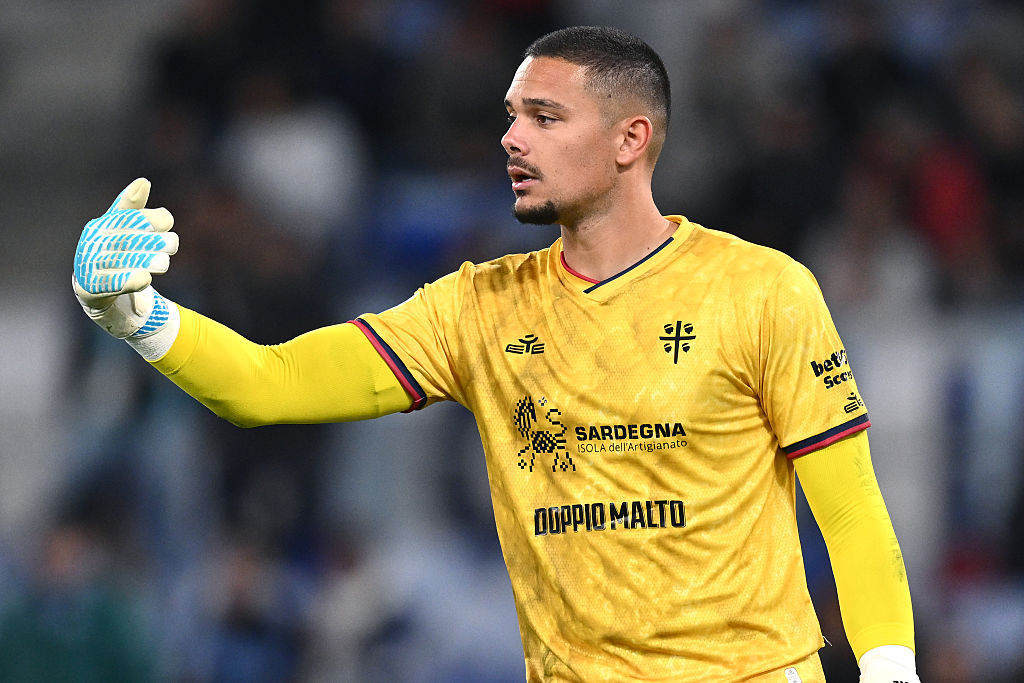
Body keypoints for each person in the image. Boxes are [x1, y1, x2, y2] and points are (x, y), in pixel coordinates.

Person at [72, 25, 920, 683]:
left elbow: (848, 510)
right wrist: (139, 314)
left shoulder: (761, 290)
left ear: (630, 139)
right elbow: (270, 382)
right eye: (511, 117)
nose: (512, 139)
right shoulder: (475, 309)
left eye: (544, 118)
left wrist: (888, 667)